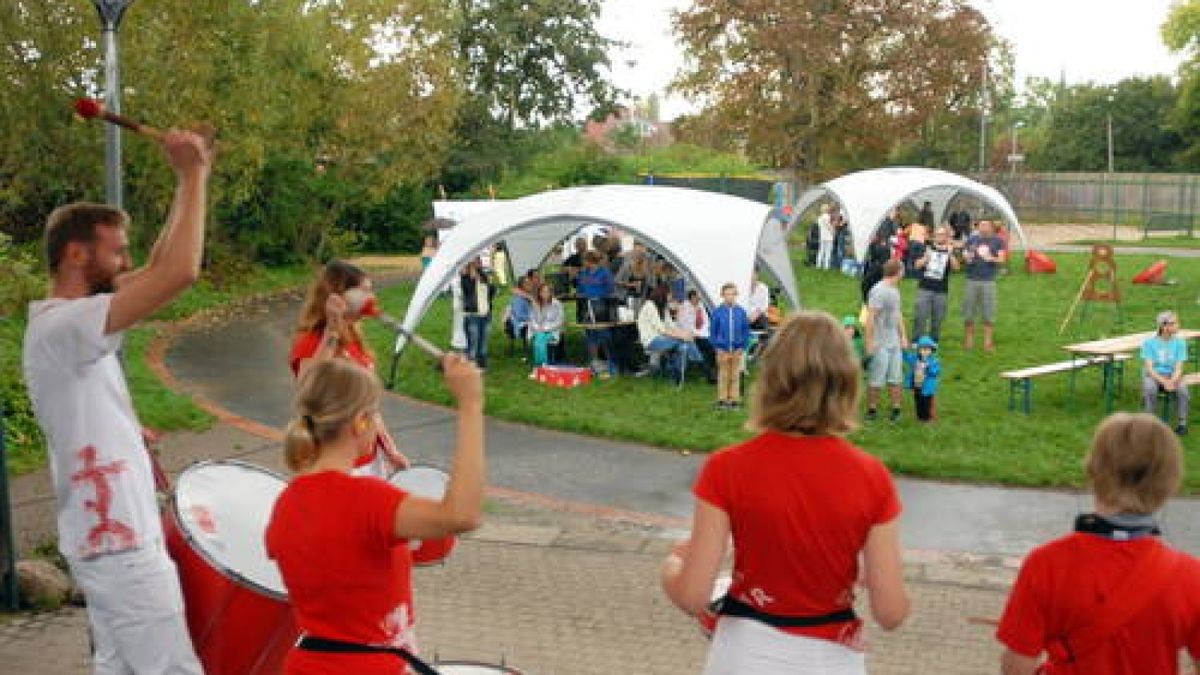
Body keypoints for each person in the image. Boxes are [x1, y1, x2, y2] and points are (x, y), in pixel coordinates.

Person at [22, 128, 213, 673]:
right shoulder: (65, 326)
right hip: (117, 540)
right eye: (116, 251)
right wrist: (192, 175)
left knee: (121, 667)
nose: (127, 262)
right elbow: (178, 273)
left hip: (111, 533)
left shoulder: (71, 324)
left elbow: (158, 268)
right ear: (78, 254)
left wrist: (126, 433)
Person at [660, 311, 910, 675]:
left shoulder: (727, 468)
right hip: (832, 656)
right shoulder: (872, 477)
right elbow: (891, 612)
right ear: (846, 384)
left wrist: (670, 569)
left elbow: (693, 595)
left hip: (744, 652)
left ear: (772, 381)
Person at [266, 355, 485, 674]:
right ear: (360, 422)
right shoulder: (366, 500)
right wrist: (470, 406)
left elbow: (347, 568)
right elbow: (463, 514)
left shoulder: (285, 503)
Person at [996, 412, 1200, 675]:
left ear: (1094, 470)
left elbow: (1016, 667)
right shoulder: (1191, 577)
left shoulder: (1046, 564)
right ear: (1169, 482)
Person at [290, 260, 408, 475]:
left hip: (368, 455)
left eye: (371, 291)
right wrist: (332, 331)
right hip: (338, 462)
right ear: (339, 295)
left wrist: (388, 448)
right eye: (363, 291)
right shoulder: (312, 343)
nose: (370, 298)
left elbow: (367, 405)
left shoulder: (354, 338)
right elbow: (309, 390)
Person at [637, 283, 704, 387]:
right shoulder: (650, 306)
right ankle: (698, 360)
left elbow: (672, 326)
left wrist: (685, 333)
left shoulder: (663, 307)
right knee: (683, 341)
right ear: (663, 294)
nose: (671, 298)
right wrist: (683, 336)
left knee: (682, 347)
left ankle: (676, 379)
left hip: (663, 339)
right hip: (651, 340)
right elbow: (661, 329)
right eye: (670, 295)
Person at [865, 260, 908, 423]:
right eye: (902, 269)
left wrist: (903, 336)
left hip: (894, 342)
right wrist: (870, 344)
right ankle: (872, 410)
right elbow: (870, 319)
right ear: (898, 271)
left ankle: (896, 409)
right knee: (876, 379)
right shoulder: (879, 291)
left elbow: (898, 313)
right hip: (880, 343)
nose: (904, 272)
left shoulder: (895, 289)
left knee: (896, 378)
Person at [1141, 311, 1190, 435]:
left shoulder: (1180, 342)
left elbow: (1179, 367)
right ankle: (1149, 423)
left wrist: (1172, 380)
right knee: (1150, 388)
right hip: (1154, 375)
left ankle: (1182, 423)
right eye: (1173, 323)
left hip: (1173, 375)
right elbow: (1150, 369)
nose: (1177, 326)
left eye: (1177, 323)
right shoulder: (1149, 343)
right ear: (1164, 327)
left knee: (1183, 389)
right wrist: (1164, 381)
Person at [962, 219, 1006, 351]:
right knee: (969, 312)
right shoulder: (972, 240)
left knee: (988, 312)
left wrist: (991, 258)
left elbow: (1002, 259)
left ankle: (988, 343)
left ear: (991, 227)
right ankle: (969, 341)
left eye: (986, 225)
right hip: (971, 280)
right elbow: (965, 257)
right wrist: (967, 257)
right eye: (981, 225)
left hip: (988, 281)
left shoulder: (998, 241)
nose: (983, 227)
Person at [912, 225, 961, 343]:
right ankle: (916, 340)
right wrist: (925, 258)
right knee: (920, 316)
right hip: (924, 288)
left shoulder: (949, 250)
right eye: (937, 234)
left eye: (942, 234)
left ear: (946, 236)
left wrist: (950, 254)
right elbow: (916, 265)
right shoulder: (926, 248)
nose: (940, 237)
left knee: (938, 318)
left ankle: (933, 341)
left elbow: (957, 268)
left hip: (941, 290)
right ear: (934, 236)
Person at [710, 283, 751, 410]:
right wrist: (717, 347)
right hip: (722, 350)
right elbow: (713, 332)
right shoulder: (717, 312)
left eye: (732, 294)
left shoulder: (741, 312)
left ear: (736, 295)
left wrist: (742, 347)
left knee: (735, 375)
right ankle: (722, 399)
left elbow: (745, 331)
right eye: (727, 294)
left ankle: (734, 399)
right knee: (723, 375)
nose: (730, 297)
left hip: (737, 350)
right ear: (722, 295)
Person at [577, 250, 617, 376]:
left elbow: (611, 290)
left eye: (584, 260)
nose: (583, 263)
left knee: (604, 334)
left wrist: (599, 296)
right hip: (586, 306)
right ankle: (594, 362)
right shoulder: (583, 273)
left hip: (601, 306)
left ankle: (610, 362)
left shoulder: (604, 272)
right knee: (589, 333)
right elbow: (580, 288)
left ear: (590, 261)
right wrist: (581, 294)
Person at [456, 258, 495, 370]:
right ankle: (472, 365)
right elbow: (468, 291)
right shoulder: (465, 278)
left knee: (484, 342)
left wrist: (486, 284)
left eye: (479, 261)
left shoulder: (484, 277)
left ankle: (482, 362)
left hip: (486, 314)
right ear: (470, 264)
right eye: (475, 261)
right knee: (473, 342)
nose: (479, 263)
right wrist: (472, 276)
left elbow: (491, 293)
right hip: (472, 315)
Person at [677, 289, 718, 384]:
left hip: (703, 334)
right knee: (705, 348)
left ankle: (714, 372)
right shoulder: (684, 307)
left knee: (712, 348)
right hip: (690, 334)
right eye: (697, 297)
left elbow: (706, 322)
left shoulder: (701, 306)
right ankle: (711, 375)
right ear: (691, 297)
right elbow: (684, 325)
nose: (699, 299)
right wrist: (697, 333)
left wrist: (704, 332)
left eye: (699, 297)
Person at [903, 336, 941, 422]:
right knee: (918, 400)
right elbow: (907, 357)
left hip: (927, 387)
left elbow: (936, 371)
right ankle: (919, 417)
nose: (925, 352)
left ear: (932, 350)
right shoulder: (915, 359)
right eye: (922, 349)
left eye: (927, 349)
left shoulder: (933, 361)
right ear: (919, 350)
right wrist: (903, 349)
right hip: (917, 385)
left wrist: (928, 368)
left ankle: (927, 418)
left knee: (926, 402)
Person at [528, 282, 564, 369]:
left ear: (551, 293)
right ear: (539, 293)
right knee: (540, 339)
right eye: (543, 292)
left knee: (539, 340)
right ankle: (543, 365)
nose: (545, 294)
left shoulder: (557, 304)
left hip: (553, 330)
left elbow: (560, 321)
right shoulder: (535, 304)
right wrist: (538, 328)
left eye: (547, 291)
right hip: (538, 330)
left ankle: (538, 366)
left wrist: (546, 329)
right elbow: (532, 320)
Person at [503, 275, 534, 353]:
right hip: (518, 323)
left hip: (524, 321)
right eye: (527, 283)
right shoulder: (518, 298)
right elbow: (519, 315)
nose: (530, 285)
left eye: (530, 283)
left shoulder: (527, 296)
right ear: (521, 286)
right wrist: (531, 319)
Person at [816, 203, 835, 270]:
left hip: (822, 236)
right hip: (829, 237)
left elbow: (819, 226)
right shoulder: (827, 217)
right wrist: (833, 232)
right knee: (828, 252)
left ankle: (818, 265)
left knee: (821, 251)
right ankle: (826, 266)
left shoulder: (819, 218)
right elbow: (829, 226)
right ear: (827, 209)